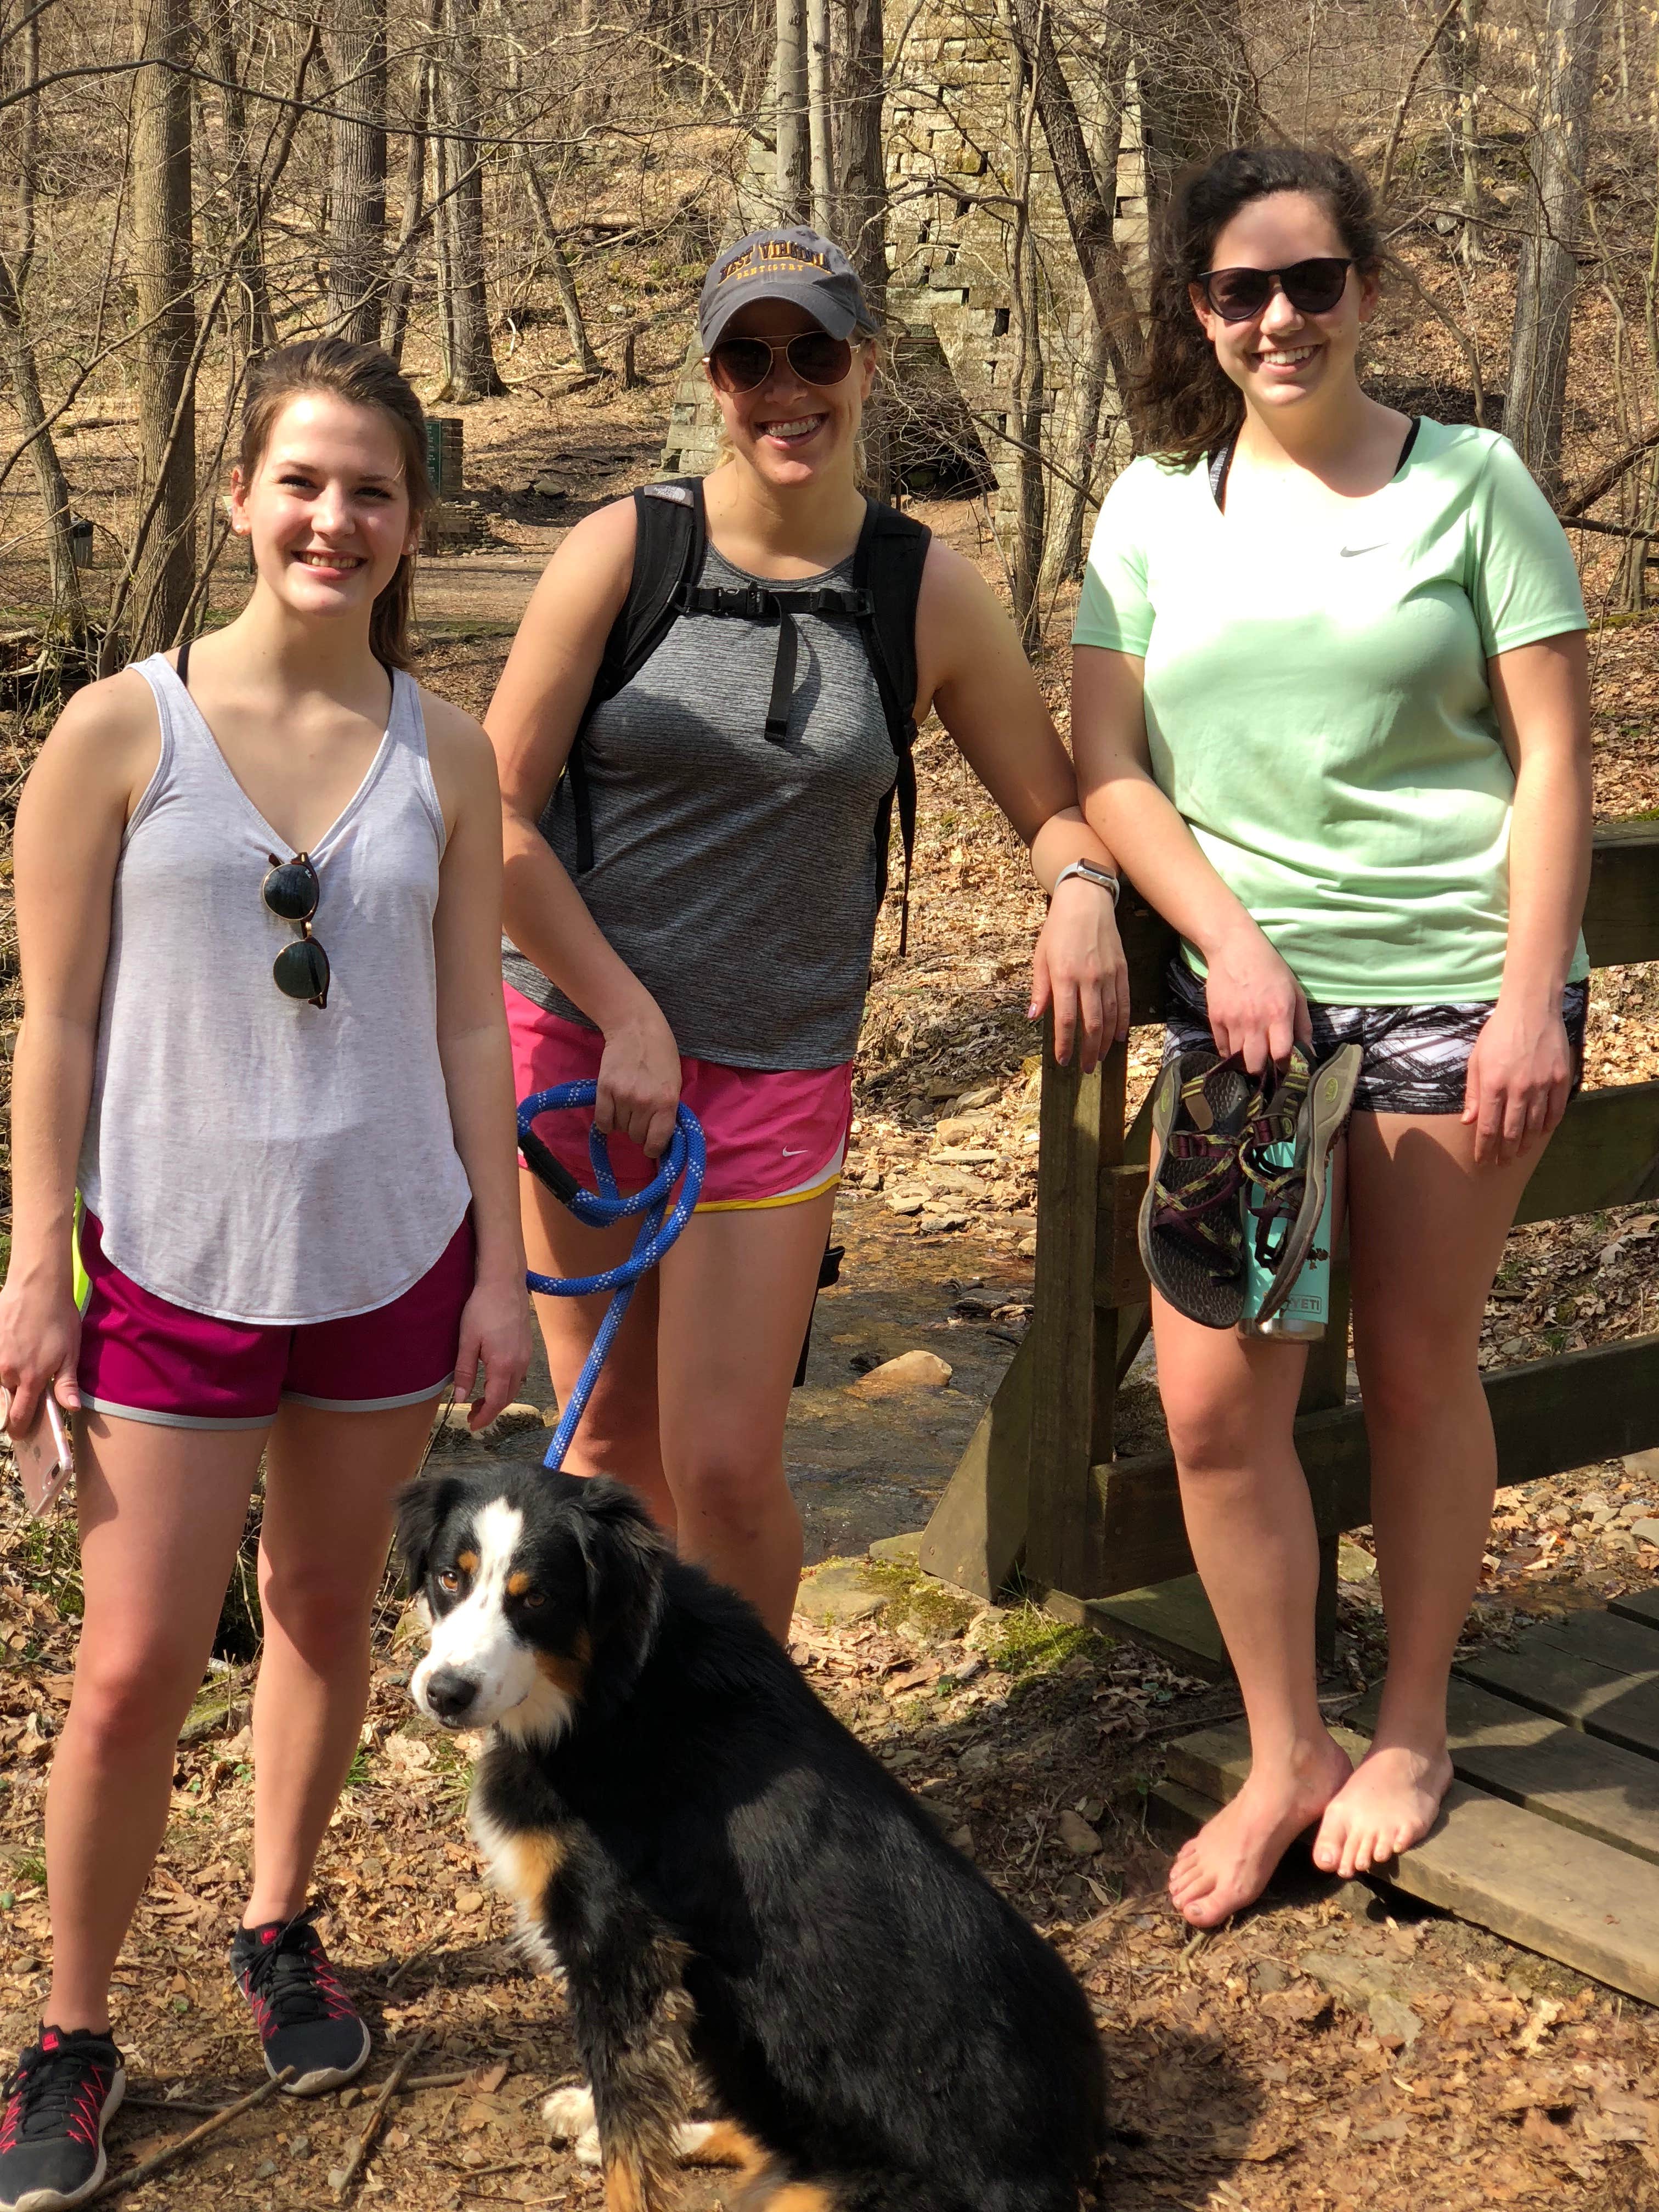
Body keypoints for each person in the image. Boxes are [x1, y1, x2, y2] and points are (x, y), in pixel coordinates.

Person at [0, 338, 532, 2209]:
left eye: (372, 489)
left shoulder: (444, 750)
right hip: (165, 1256)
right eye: (302, 481)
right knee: (137, 1661)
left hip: (389, 1257)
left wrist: (502, 1271)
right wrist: (35, 1264)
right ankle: (71, 2035)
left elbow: (474, 1026)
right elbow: (55, 1024)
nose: (335, 517)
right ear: (240, 497)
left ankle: (278, 1927)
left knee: (321, 1614)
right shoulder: (116, 731)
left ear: (411, 522)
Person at [1071, 147, 1592, 1928]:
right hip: (1250, 1013)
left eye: (1310, 282)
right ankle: (1285, 1740)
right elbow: (1110, 770)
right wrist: (1220, 938)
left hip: (1459, 981)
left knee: (1420, 1368)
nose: (1278, 317)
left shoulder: (1474, 483)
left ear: (1365, 290)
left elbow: (1557, 765)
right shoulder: (1149, 509)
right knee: (1219, 1407)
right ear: (1198, 314)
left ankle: (1419, 1727)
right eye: (1239, 289)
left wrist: (1533, 996)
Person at [488, 227, 1128, 1642]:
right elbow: (495, 822)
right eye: (750, 357)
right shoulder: (625, 551)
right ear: (716, 382)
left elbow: (1055, 808)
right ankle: (610, 1779)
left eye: (815, 352)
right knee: (603, 1455)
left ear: (867, 367)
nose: (787, 387)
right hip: (581, 1052)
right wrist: (629, 1013)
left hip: (778, 1069)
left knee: (724, 1467)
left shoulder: (922, 589)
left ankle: (746, 1774)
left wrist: (1082, 891)